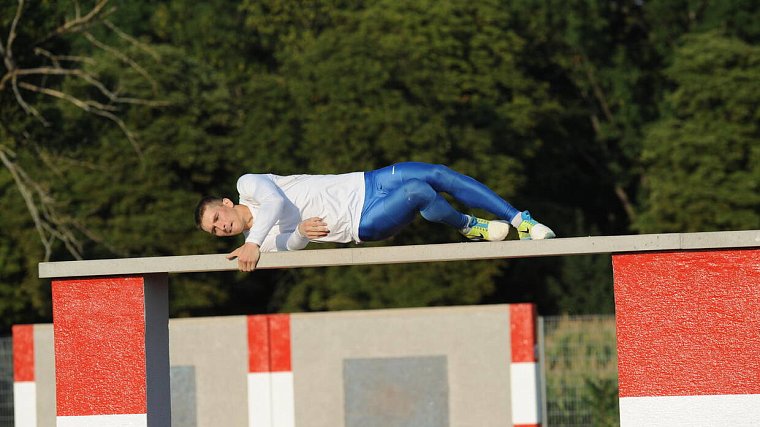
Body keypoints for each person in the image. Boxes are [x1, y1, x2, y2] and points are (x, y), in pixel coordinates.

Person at [195, 162, 555, 271]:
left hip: (364, 183)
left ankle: (521, 219)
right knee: (419, 192)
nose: (221, 227)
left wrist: (254, 243)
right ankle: (467, 225)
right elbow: (291, 247)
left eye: (217, 218)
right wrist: (301, 232)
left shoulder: (249, 184)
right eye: (215, 231)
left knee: (437, 174)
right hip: (362, 222)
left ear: (227, 202)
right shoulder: (253, 246)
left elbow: (273, 202)